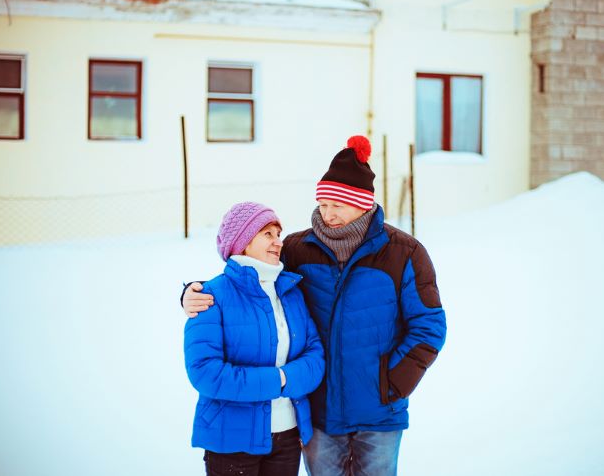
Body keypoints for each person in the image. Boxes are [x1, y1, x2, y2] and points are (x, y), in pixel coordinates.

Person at [183, 136, 446, 476]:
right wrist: (191, 293)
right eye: (322, 204)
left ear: (363, 203)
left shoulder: (405, 253)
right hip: (318, 411)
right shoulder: (296, 250)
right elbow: (248, 280)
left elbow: (429, 326)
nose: (328, 214)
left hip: (380, 413)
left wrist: (392, 383)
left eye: (338, 204)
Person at [184, 202, 325, 476]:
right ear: (244, 241)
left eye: (278, 233)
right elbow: (205, 373)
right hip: (231, 441)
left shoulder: (290, 291)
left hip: (287, 436)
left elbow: (315, 356)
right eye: (267, 234)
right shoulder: (210, 296)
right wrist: (281, 380)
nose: (278, 242)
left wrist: (285, 377)